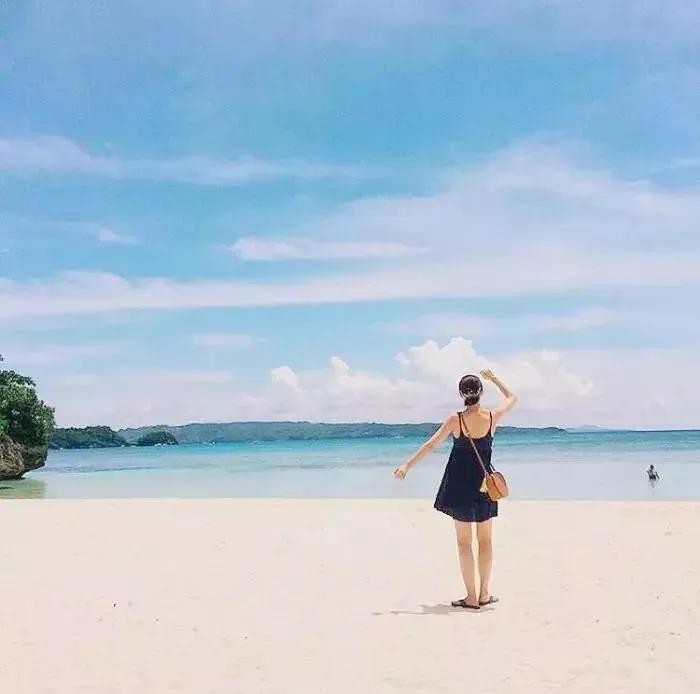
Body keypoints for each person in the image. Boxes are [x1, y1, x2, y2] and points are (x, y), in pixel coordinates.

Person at [394, 369, 517, 610]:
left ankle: (471, 597)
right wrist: (494, 379)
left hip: (459, 486)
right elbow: (512, 397)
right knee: (486, 541)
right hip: (484, 487)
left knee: (464, 543)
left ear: (461, 394)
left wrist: (407, 465)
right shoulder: (492, 417)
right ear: (481, 392)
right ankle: (484, 594)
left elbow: (431, 445)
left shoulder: (456, 419)